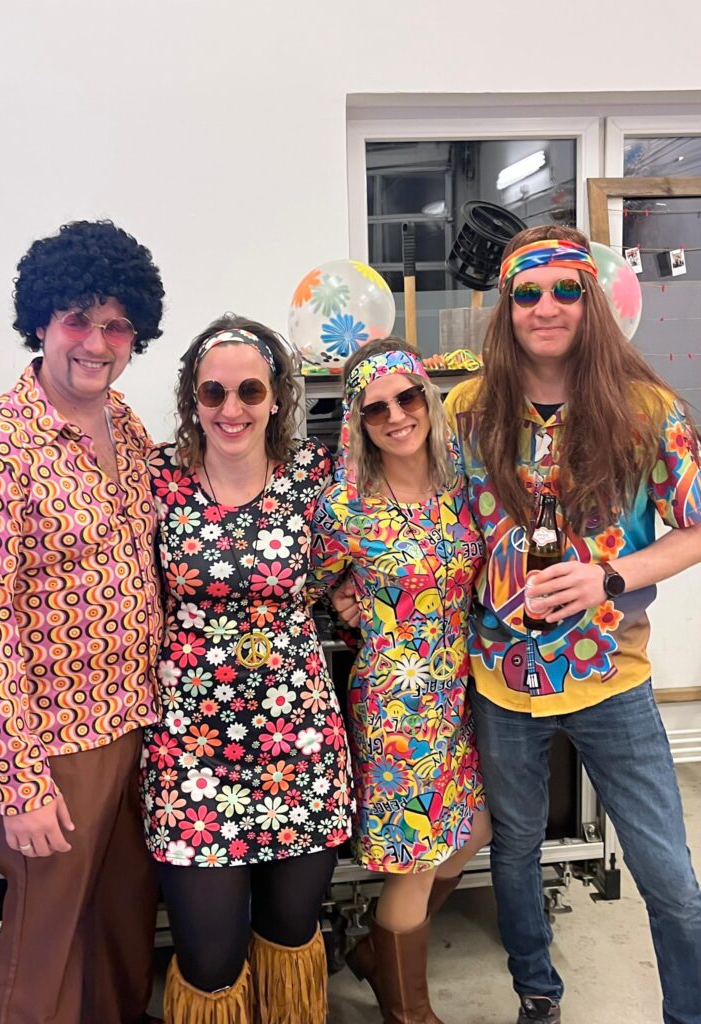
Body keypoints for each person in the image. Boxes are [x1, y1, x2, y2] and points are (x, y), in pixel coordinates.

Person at [443, 226, 701, 1024]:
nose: (546, 307)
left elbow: (696, 527)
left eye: (565, 290)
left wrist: (610, 575)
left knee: (669, 876)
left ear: (591, 301)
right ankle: (536, 994)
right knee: (515, 849)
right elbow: (437, 525)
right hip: (500, 677)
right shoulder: (466, 410)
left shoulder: (647, 410)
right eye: (527, 292)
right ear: (506, 306)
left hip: (611, 676)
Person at [0, 220, 165, 1024]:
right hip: (55, 744)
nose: (96, 343)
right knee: (45, 944)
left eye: (117, 325)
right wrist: (21, 780)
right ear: (41, 320)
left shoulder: (125, 424)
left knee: (122, 921)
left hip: (136, 720)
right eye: (78, 319)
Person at [140, 314, 353, 1024]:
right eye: (213, 392)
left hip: (298, 739)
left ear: (277, 396)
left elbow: (366, 545)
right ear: (192, 399)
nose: (231, 409)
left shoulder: (315, 474)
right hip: (191, 748)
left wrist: (354, 592)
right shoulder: (158, 478)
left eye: (250, 391)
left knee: (291, 931)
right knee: (209, 958)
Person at [310, 338, 491, 1024]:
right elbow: (303, 585)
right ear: (357, 421)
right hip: (398, 705)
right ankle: (408, 1010)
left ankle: (373, 953)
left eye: (407, 397)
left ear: (428, 399)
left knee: (473, 831)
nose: (395, 416)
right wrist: (341, 600)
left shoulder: (461, 483)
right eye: (375, 407)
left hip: (460, 693)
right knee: (416, 860)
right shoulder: (346, 506)